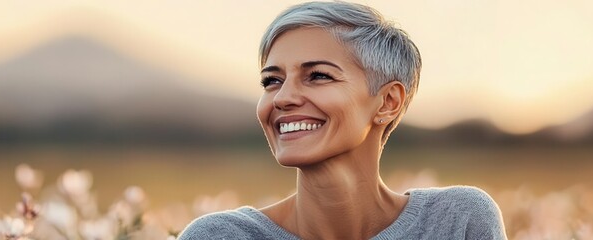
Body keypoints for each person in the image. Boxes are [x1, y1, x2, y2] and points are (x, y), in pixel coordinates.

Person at [178, 1, 506, 239]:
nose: (282, 97)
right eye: (272, 81)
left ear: (388, 102)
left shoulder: (457, 221)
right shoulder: (221, 236)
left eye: (318, 76)